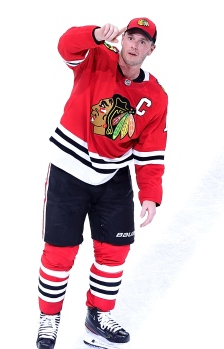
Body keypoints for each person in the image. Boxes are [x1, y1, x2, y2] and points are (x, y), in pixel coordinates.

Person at [35, 17, 168, 349]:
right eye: (130, 37)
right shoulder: (97, 57)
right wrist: (94, 34)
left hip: (112, 178)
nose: (134, 45)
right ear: (122, 39)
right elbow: (66, 45)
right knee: (59, 253)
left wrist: (150, 195)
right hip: (69, 172)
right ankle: (49, 318)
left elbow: (151, 152)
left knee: (115, 251)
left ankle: (98, 319)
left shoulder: (156, 96)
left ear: (151, 49)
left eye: (142, 41)